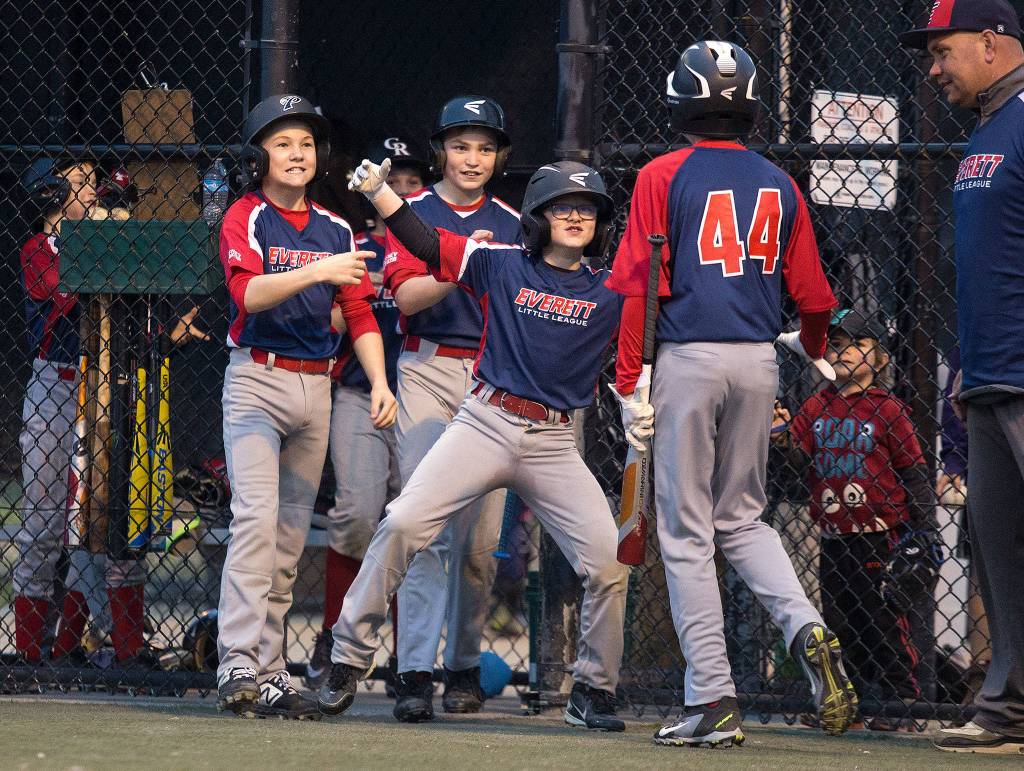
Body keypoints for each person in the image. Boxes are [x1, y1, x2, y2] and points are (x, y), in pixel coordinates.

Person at [318, 158, 631, 732]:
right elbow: (426, 241)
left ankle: (593, 689)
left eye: (587, 208)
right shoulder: (504, 263)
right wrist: (381, 193)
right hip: (485, 421)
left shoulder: (612, 286)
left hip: (553, 440)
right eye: (562, 206)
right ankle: (347, 656)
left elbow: (656, 326)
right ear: (537, 217)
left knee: (610, 561)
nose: (575, 215)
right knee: (405, 522)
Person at [607, 40, 858, 747]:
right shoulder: (780, 181)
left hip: (688, 359)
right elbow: (814, 294)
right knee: (742, 520)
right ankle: (806, 628)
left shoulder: (661, 173)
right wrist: (813, 348)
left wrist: (630, 384)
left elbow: (637, 289)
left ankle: (712, 698)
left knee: (686, 532)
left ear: (681, 100)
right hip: (758, 359)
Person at [215, 94, 396, 720]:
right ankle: (236, 658)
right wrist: (320, 270)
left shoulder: (336, 225)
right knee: (255, 521)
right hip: (258, 382)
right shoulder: (247, 214)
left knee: (291, 537)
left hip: (316, 386)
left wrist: (377, 380)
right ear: (259, 156)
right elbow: (249, 294)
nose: (297, 154)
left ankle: (268, 669)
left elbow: (358, 311)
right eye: (283, 143)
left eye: (307, 144)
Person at [13, 157, 197, 672]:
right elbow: (69, 293)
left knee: (115, 519)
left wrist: (168, 339)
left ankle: (120, 648)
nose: (92, 192)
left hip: (110, 385)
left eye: (93, 183)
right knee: (47, 524)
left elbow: (126, 324)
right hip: (58, 384)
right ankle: (29, 654)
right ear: (48, 197)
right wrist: (111, 243)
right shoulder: (39, 249)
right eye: (77, 185)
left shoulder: (111, 243)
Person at [902, 0, 1024, 753]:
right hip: (986, 375)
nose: (934, 68)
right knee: (999, 553)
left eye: (943, 51)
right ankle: (1009, 708)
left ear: (990, 41)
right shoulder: (989, 127)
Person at [378, 97, 523, 722]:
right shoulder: (412, 212)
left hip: (491, 378)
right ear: (440, 150)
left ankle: (463, 666)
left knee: (479, 541)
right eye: (461, 146)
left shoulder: (517, 221)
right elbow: (407, 298)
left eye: (485, 148)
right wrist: (464, 261)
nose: (472, 158)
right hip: (428, 368)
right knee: (420, 523)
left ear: (499, 158)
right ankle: (413, 672)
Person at [773, 309, 942, 730]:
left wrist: (925, 531)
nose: (844, 352)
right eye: (835, 344)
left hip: (878, 534)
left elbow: (913, 472)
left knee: (881, 619)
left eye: (857, 344)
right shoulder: (816, 405)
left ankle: (904, 702)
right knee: (840, 620)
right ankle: (853, 701)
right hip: (834, 535)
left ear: (880, 359)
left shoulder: (888, 409)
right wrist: (780, 436)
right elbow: (799, 461)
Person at [305, 137, 429, 689]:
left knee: (415, 523)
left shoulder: (433, 245)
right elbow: (331, 318)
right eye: (389, 180)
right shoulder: (348, 246)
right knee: (356, 515)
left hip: (424, 393)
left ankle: (410, 658)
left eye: (408, 181)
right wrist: (352, 303)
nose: (399, 190)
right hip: (358, 393)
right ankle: (335, 637)